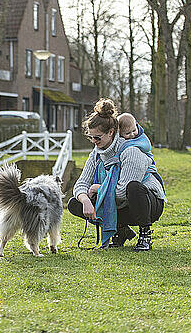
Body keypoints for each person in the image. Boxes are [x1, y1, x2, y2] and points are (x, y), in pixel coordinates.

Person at [67, 99, 166, 250]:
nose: (93, 141)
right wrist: (86, 201)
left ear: (111, 132)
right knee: (75, 204)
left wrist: (97, 189)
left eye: (97, 137)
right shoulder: (96, 154)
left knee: (133, 188)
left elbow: (121, 192)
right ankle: (121, 230)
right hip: (119, 204)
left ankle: (145, 235)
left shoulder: (130, 151)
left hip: (145, 203)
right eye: (91, 137)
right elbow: (80, 184)